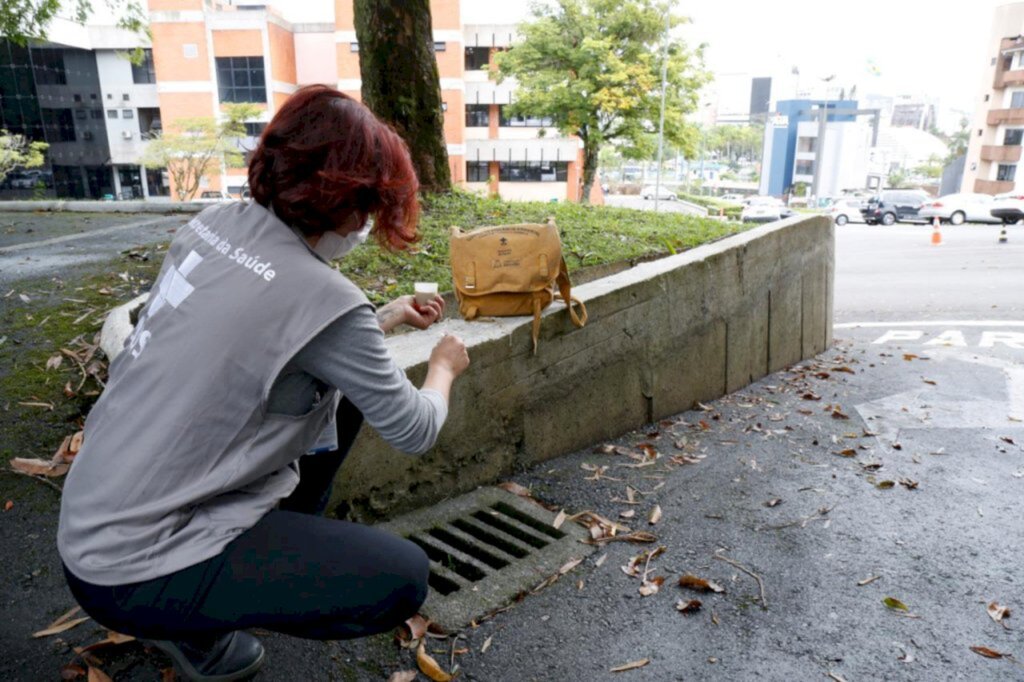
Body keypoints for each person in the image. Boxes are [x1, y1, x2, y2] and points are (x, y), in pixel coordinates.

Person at [57, 85, 470, 682]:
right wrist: (444, 367)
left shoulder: (216, 224)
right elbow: (414, 427)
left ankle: (241, 561)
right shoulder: (324, 296)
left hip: (94, 517)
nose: (366, 224)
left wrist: (385, 316)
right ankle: (196, 627)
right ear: (347, 200)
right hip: (129, 569)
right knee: (403, 578)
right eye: (369, 207)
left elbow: (279, 340)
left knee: (346, 392)